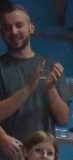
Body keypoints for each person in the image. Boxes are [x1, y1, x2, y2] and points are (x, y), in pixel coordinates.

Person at [0, 7, 68, 146]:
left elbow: (63, 119)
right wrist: (28, 89)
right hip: (7, 155)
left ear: (31, 28)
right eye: (7, 27)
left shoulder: (51, 67)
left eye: (19, 25)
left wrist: (50, 89)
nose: (13, 31)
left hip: (42, 155)